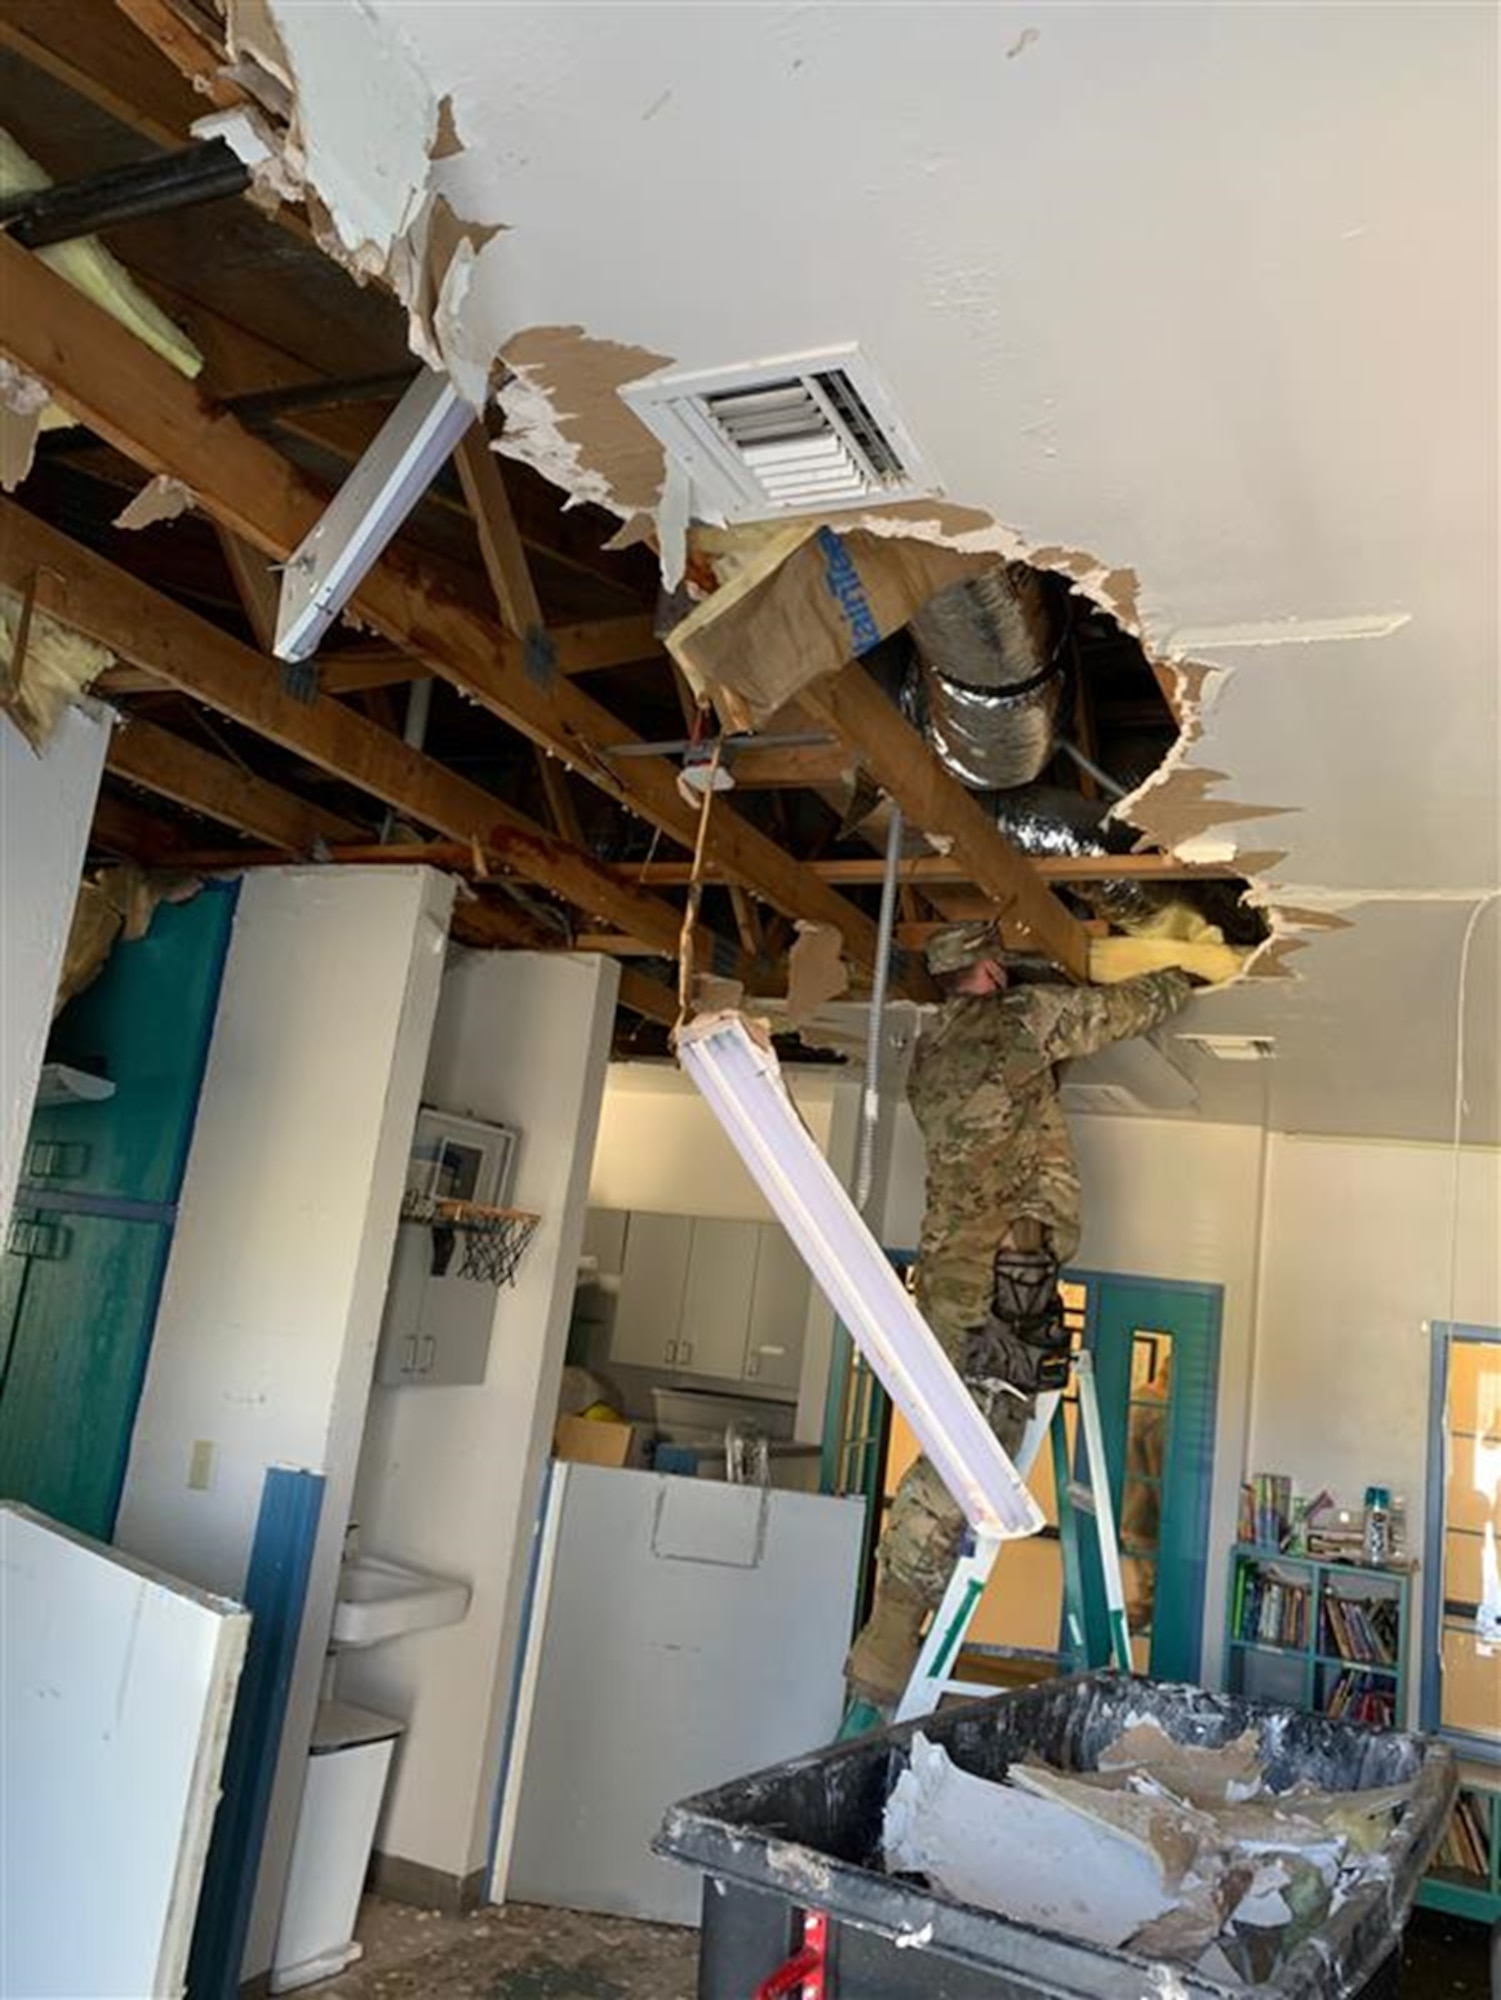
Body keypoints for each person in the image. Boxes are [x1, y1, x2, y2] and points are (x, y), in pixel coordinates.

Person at [844, 920, 1197, 1714]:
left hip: (941, 1281)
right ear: (992, 970)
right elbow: (1119, 1011)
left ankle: (885, 1646)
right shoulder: (1021, 1019)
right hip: (1002, 1285)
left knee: (950, 1443)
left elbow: (999, 1118)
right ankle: (883, 1658)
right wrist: (1185, 978)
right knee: (971, 1457)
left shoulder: (927, 1055)